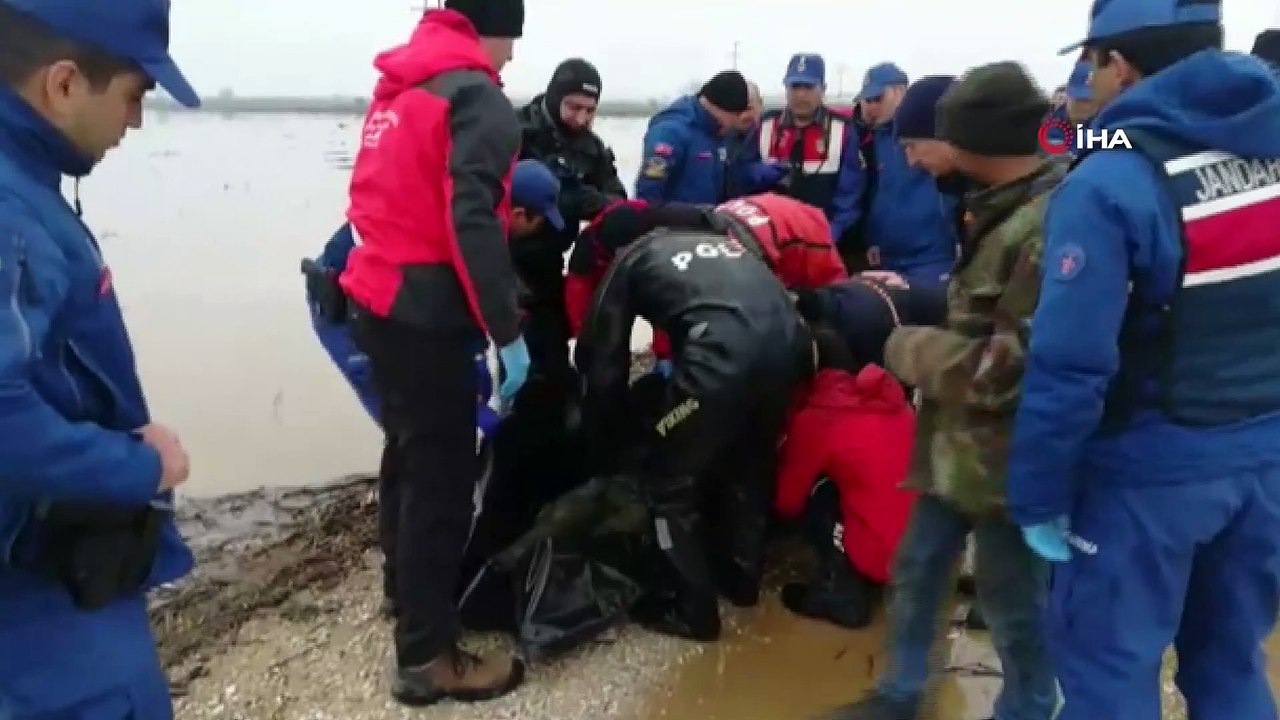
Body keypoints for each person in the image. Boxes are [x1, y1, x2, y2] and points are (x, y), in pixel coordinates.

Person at [1007, 2, 1280, 718]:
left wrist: (1037, 496)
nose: (1087, 84)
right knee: (1231, 667)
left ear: (1119, 65)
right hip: (1267, 463)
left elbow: (1069, 366)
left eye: (1093, 64)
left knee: (1107, 678)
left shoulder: (1111, 181)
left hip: (1148, 478)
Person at [821, 62, 1064, 720]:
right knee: (920, 565)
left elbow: (1017, 364)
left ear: (963, 141)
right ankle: (901, 696)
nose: (910, 159)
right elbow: (976, 310)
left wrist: (905, 346)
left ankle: (1029, 709)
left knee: (1013, 605)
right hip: (954, 445)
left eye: (916, 144)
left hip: (1013, 459)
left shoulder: (1046, 226)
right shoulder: (989, 207)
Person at [0, 0, 198, 718]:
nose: (137, 121)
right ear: (62, 84)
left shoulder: (26, 182)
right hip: (37, 596)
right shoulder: (9, 211)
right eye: (134, 95)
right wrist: (140, 466)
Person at [336, 0, 529, 705]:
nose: (510, 58)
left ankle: (405, 595)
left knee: (409, 455)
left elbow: (376, 199)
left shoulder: (402, 90)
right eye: (510, 40)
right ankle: (426, 658)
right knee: (443, 483)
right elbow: (471, 220)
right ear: (496, 29)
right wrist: (506, 332)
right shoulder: (476, 97)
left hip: (376, 298)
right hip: (425, 313)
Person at [573, 192, 843, 640]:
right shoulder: (733, 246)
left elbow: (602, 362)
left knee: (669, 480)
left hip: (722, 359)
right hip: (791, 350)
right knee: (750, 466)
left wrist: (604, 439)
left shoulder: (633, 258)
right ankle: (741, 583)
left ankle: (692, 609)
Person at [303, 159, 565, 426]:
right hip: (345, 304)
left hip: (397, 291)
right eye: (540, 223)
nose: (539, 232)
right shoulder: (453, 230)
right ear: (519, 214)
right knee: (406, 417)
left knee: (464, 397)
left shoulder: (478, 211)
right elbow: (442, 308)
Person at [774, 325, 918, 630]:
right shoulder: (890, 398)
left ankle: (840, 593)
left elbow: (787, 502)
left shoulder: (820, 418)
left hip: (888, 558)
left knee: (819, 493)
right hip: (929, 547)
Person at [514, 58, 626, 384]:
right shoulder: (515, 134)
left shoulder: (591, 149)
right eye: (573, 107)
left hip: (551, 266)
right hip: (507, 262)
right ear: (553, 98)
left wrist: (588, 201)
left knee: (555, 361)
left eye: (590, 111)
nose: (581, 118)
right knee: (521, 367)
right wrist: (564, 197)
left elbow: (617, 201)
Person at [851, 62, 959, 287]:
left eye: (877, 99)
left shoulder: (934, 132)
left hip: (931, 258)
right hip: (887, 257)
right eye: (866, 100)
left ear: (899, 92)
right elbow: (880, 191)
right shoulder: (873, 139)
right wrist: (873, 238)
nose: (870, 107)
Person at [739, 54, 865, 244]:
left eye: (808, 87)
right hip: (770, 237)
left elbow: (850, 195)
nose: (801, 94)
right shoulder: (764, 126)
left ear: (822, 89)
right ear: (786, 88)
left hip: (822, 239)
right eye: (795, 86)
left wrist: (829, 235)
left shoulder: (843, 130)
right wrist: (760, 173)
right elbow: (740, 177)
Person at [634, 70, 751, 205]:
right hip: (673, 223)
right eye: (736, 116)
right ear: (723, 110)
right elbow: (648, 193)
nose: (736, 122)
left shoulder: (716, 133)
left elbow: (734, 177)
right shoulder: (670, 132)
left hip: (708, 221)